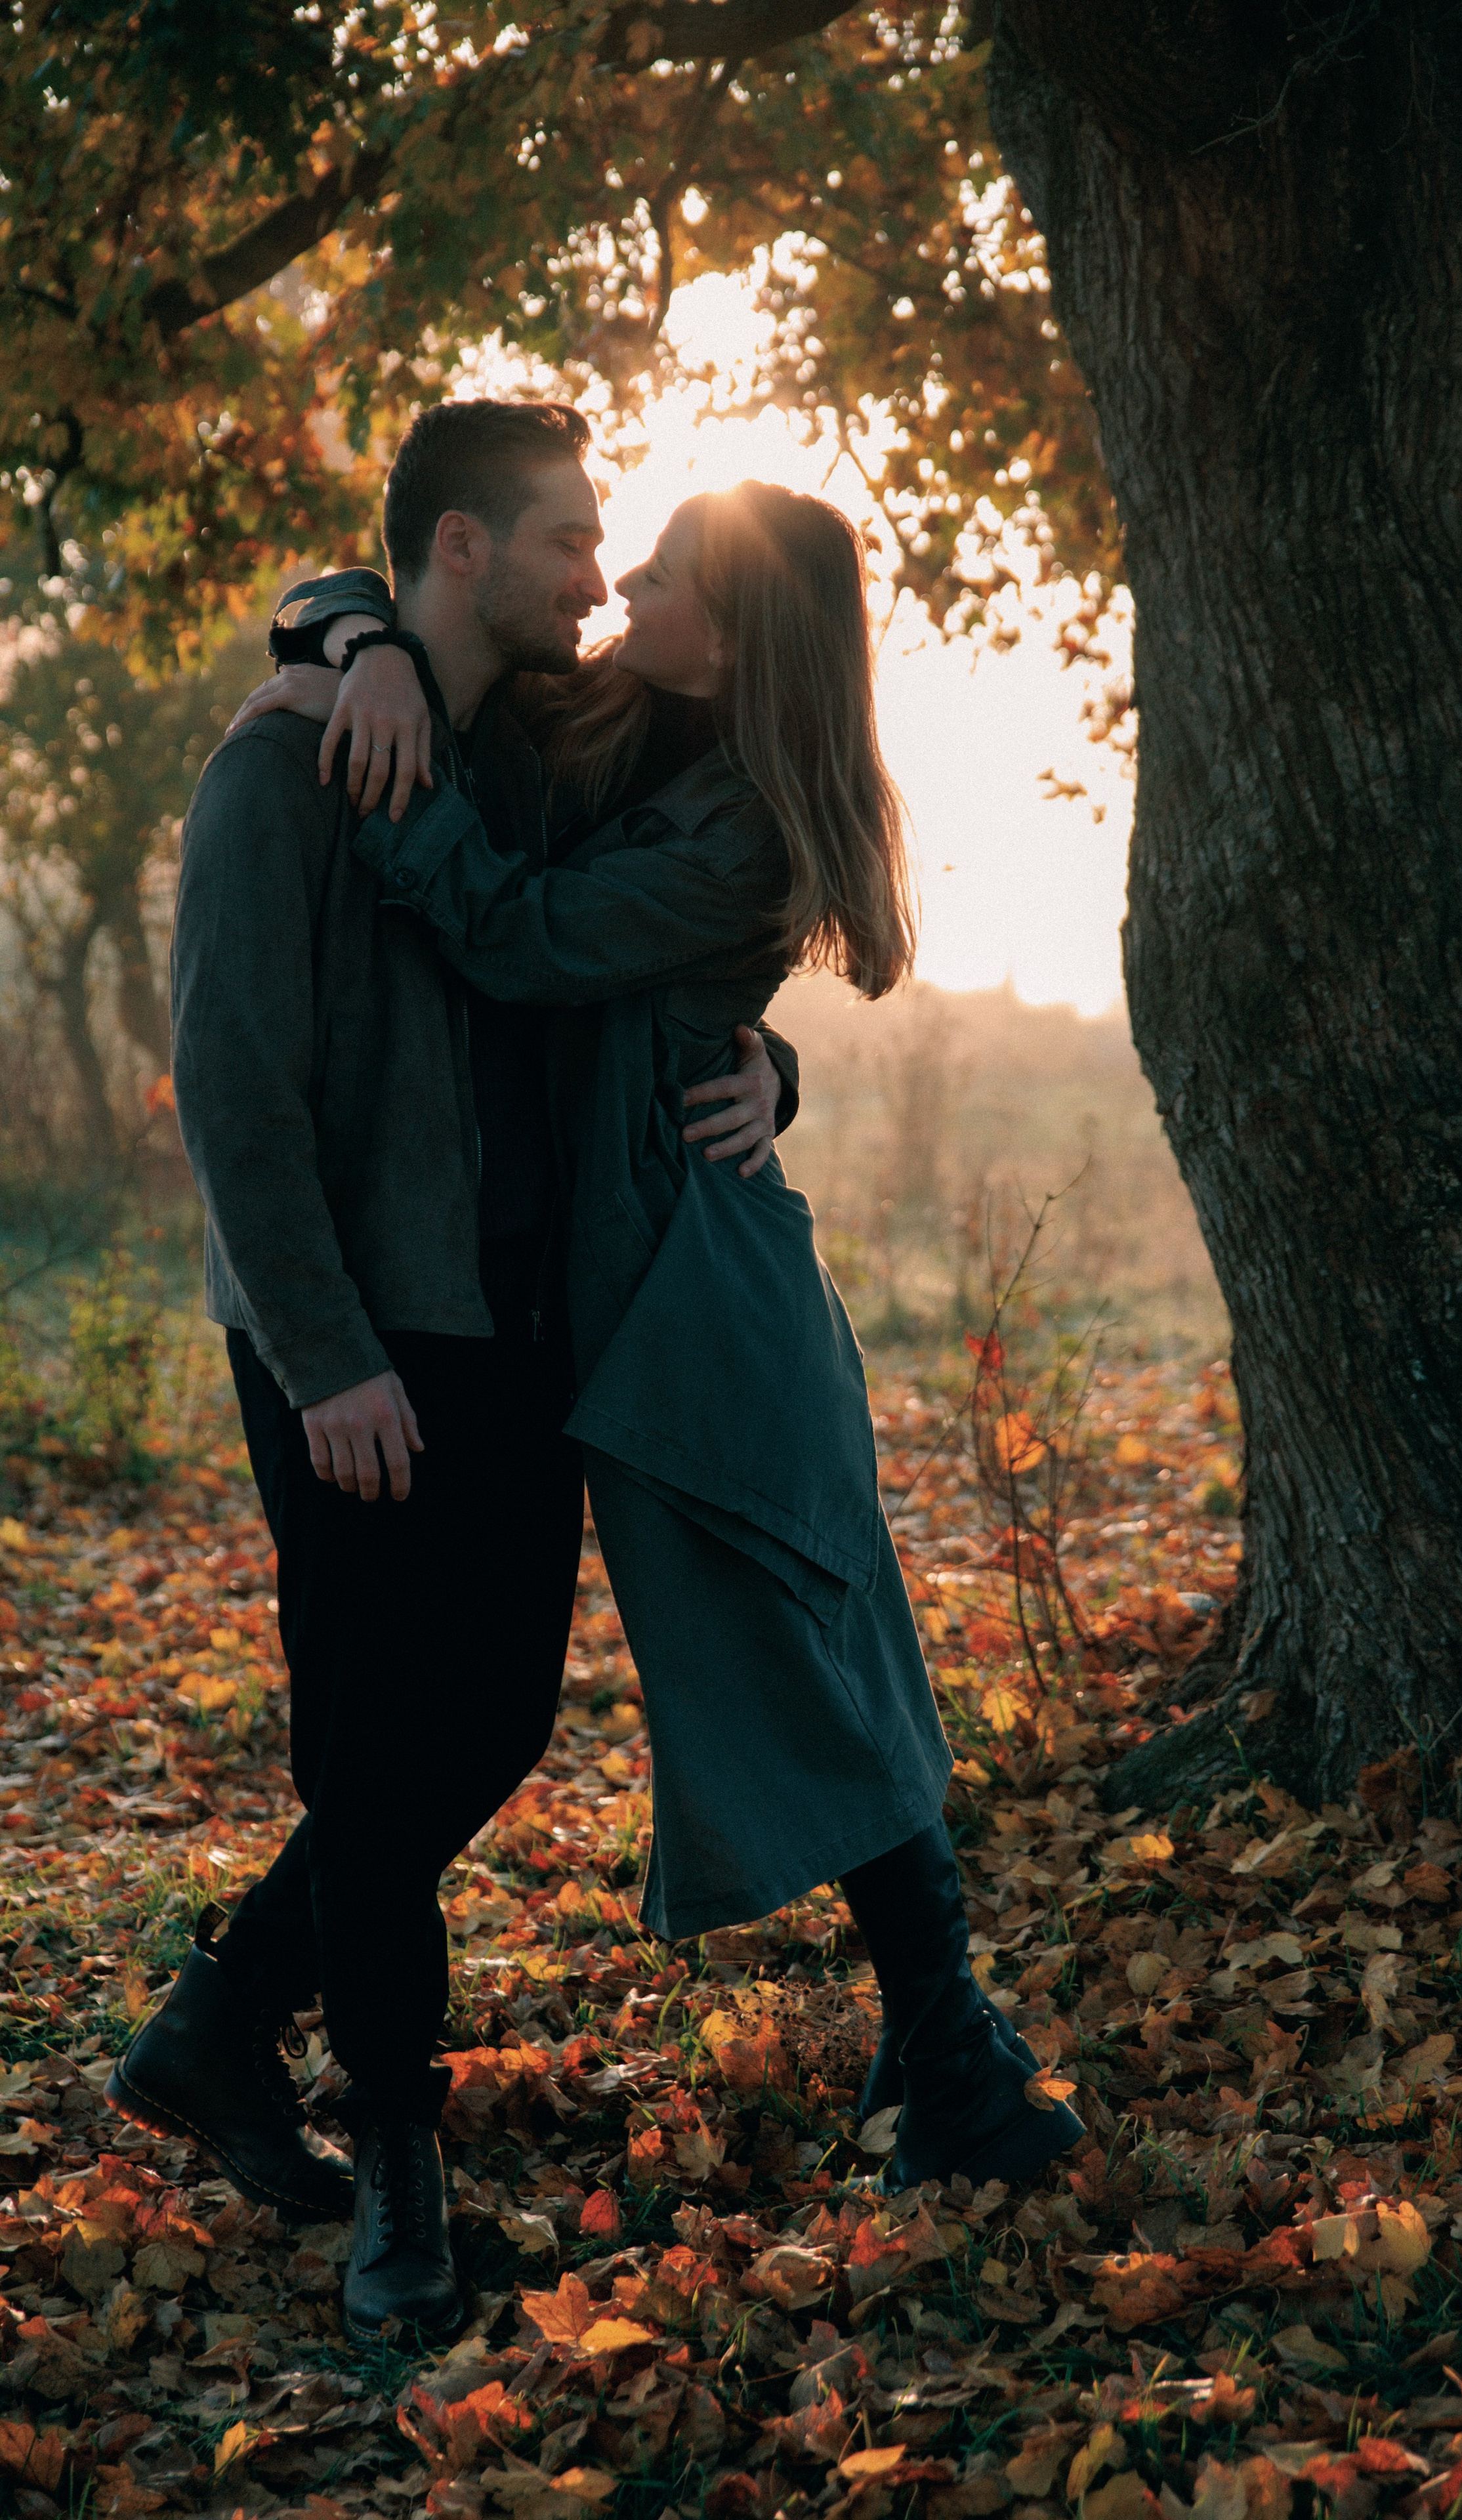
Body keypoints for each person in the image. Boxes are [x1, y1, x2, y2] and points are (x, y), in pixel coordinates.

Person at [244, 476, 1086, 2210]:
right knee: (521, 1694)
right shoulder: (613, 722)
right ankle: (945, 2054)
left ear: (745, 623)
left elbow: (519, 935)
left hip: (703, 1288)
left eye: (668, 574)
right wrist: (359, 641)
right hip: (590, 1290)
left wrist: (770, 1068)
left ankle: (956, 2059)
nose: (624, 582)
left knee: (811, 1620)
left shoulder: (747, 821)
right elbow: (422, 593)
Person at [112, 402, 797, 2348]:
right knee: (366, 1745)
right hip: (354, 1344)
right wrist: (324, 1362)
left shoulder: (530, 749)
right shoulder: (281, 774)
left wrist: (773, 1071)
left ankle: (216, 2032)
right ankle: (396, 2184)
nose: (603, 577)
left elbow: (683, 920)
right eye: (575, 541)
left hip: (517, 1337)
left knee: (484, 1728)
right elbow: (237, 1099)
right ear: (467, 550)